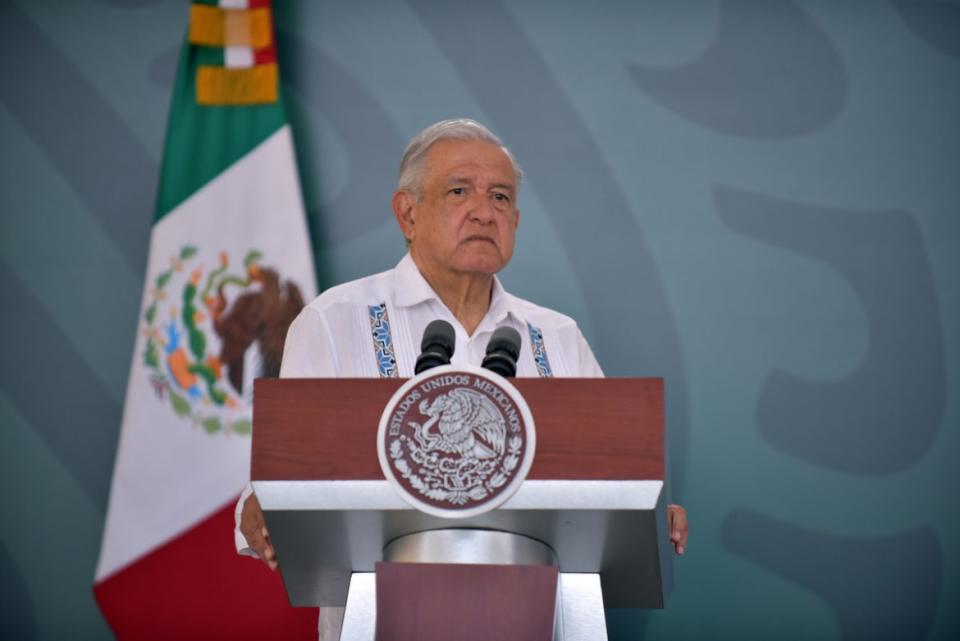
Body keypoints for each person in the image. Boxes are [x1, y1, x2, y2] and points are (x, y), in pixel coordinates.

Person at [235, 117, 688, 610]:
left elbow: (610, 481)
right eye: (458, 191)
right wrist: (262, 509)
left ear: (515, 221)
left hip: (534, 617)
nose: (483, 212)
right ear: (407, 213)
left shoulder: (556, 336)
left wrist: (647, 511)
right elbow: (280, 487)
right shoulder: (334, 321)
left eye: (500, 197)